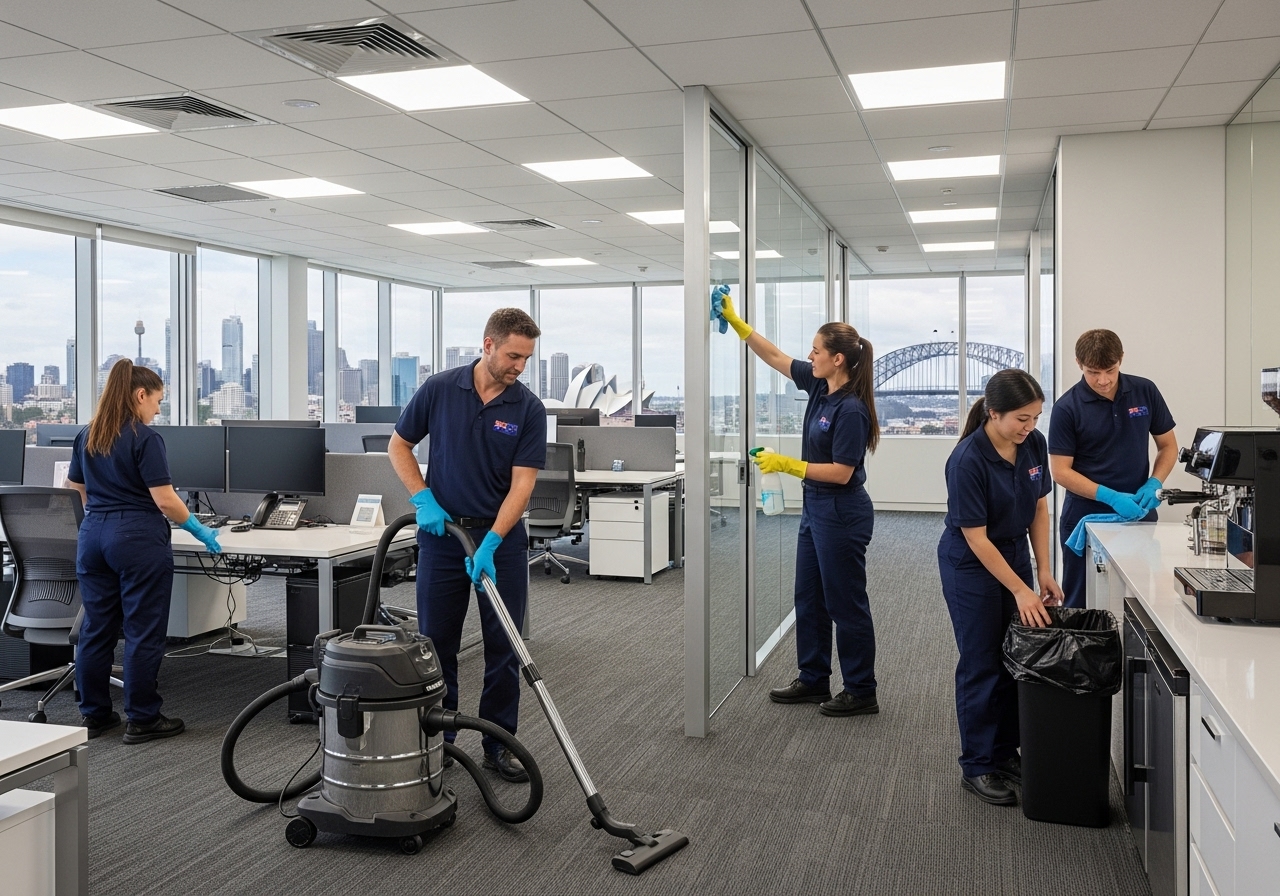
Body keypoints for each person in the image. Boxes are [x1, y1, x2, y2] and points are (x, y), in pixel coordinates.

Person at [387, 308, 546, 782]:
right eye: (514, 355)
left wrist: (494, 541)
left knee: (503, 646)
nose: (520, 366)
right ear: (488, 344)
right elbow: (399, 445)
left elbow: (522, 486)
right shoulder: (440, 388)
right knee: (437, 644)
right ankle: (440, 739)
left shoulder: (528, 408)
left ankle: (497, 745)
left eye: (527, 358)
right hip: (442, 538)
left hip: (500, 543)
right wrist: (422, 499)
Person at [711, 286, 881, 717]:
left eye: (816, 349)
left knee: (846, 603)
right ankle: (813, 678)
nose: (810, 355)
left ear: (837, 358)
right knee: (808, 597)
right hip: (815, 509)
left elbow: (842, 472)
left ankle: (861, 690)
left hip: (841, 511)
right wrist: (737, 323)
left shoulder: (851, 409)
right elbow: (773, 356)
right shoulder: (819, 385)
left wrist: (787, 464)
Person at [66, 359, 222, 743]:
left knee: (96, 628)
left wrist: (101, 515)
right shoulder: (145, 438)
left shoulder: (87, 433)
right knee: (142, 629)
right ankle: (142, 718)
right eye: (157, 401)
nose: (157, 409)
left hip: (93, 537)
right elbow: (166, 500)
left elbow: (75, 489)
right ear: (139, 395)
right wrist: (199, 529)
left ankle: (96, 715)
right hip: (135, 539)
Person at [938, 368, 1061, 807]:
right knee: (982, 661)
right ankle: (977, 765)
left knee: (1014, 658)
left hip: (1012, 555)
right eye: (1021, 419)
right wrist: (1019, 591)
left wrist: (1043, 571)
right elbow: (975, 537)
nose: (1030, 427)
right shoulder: (968, 459)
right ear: (994, 414)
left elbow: (1039, 509)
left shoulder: (1034, 445)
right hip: (970, 564)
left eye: (1035, 418)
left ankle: (1005, 752)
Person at [1048, 329, 1177, 608]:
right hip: (1085, 517)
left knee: (1136, 599)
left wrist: (1154, 482)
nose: (1103, 380)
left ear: (1121, 359)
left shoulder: (1145, 391)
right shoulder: (1066, 408)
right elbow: (1060, 471)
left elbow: (1168, 447)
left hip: (1138, 513)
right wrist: (1110, 496)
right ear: (1078, 364)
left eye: (1110, 370)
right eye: (1093, 372)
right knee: (1081, 603)